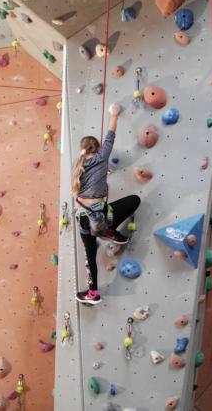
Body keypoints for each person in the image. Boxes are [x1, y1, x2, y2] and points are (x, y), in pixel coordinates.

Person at [72, 103, 141, 304]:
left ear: (83, 149)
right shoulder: (102, 158)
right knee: (134, 200)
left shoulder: (79, 165)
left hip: (82, 219)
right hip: (100, 216)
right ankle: (108, 231)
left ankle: (92, 294)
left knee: (90, 255)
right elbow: (111, 134)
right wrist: (114, 114)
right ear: (98, 148)